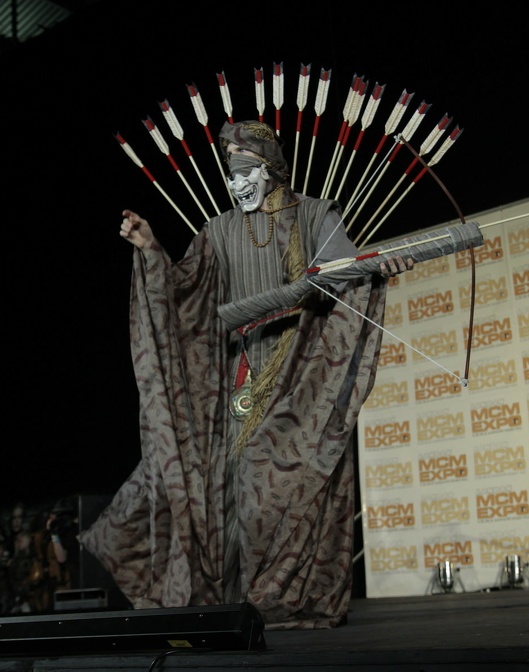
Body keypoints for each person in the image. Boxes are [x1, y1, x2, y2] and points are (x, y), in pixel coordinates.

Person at [81, 120, 410, 629]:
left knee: (290, 487)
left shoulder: (315, 214)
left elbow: (343, 270)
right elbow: (184, 292)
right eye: (230, 174)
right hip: (241, 377)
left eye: (245, 171)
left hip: (302, 374)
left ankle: (284, 595)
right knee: (234, 490)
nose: (237, 184)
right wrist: (151, 250)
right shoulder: (218, 231)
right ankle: (236, 599)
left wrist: (373, 268)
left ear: (271, 168)